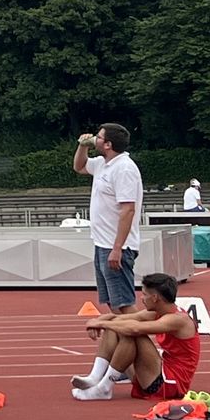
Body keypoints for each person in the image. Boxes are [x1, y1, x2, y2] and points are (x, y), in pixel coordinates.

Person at [71, 124, 145, 392]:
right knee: (115, 308)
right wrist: (82, 146)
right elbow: (79, 167)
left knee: (125, 308)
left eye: (99, 137)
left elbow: (127, 210)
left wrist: (118, 247)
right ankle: (124, 368)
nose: (95, 138)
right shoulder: (103, 164)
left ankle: (148, 359)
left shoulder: (124, 168)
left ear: (109, 144)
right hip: (102, 244)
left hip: (116, 248)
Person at [73, 273, 199, 402]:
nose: (142, 298)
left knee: (130, 332)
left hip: (170, 383)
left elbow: (135, 329)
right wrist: (98, 321)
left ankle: (104, 388)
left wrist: (101, 324)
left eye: (144, 294)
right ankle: (95, 377)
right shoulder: (159, 312)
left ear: (155, 298)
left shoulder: (177, 319)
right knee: (115, 327)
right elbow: (119, 319)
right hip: (158, 372)